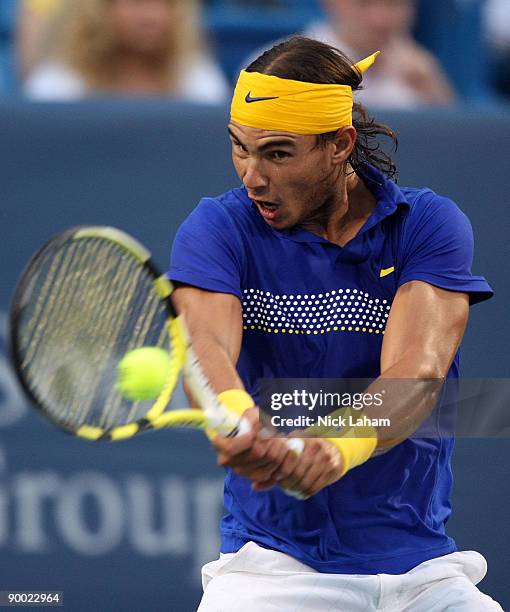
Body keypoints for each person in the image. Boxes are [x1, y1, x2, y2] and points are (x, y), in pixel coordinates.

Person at [169, 36, 501, 611]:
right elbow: (206, 347)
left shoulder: (427, 225)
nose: (251, 176)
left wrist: (338, 445)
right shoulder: (218, 229)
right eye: (240, 148)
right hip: (271, 573)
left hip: (425, 572)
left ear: (340, 144)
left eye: (277, 153)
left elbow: (417, 372)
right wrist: (236, 416)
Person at [23, 0, 228, 103]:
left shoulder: (196, 76)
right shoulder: (59, 80)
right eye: (135, 2)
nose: (152, 16)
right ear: (99, 9)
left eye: (166, 3)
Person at [277, 0, 456, 109]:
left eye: (394, 3)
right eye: (364, 2)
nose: (380, 19)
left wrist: (434, 89)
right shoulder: (282, 64)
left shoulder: (422, 74)